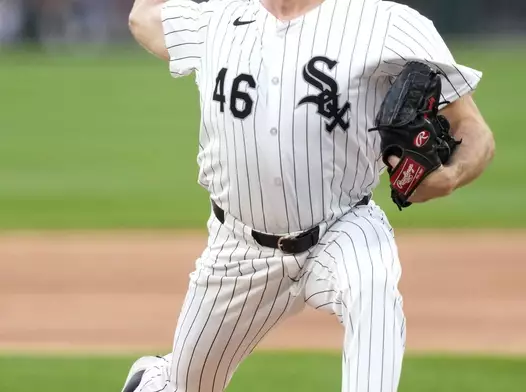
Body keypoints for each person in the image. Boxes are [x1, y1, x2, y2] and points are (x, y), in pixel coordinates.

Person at [122, 0, 495, 391]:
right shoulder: (216, 18)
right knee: (186, 384)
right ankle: (154, 379)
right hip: (237, 251)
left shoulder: (387, 23)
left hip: (340, 227)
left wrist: (450, 175)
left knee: (372, 289)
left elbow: (472, 128)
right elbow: (143, 16)